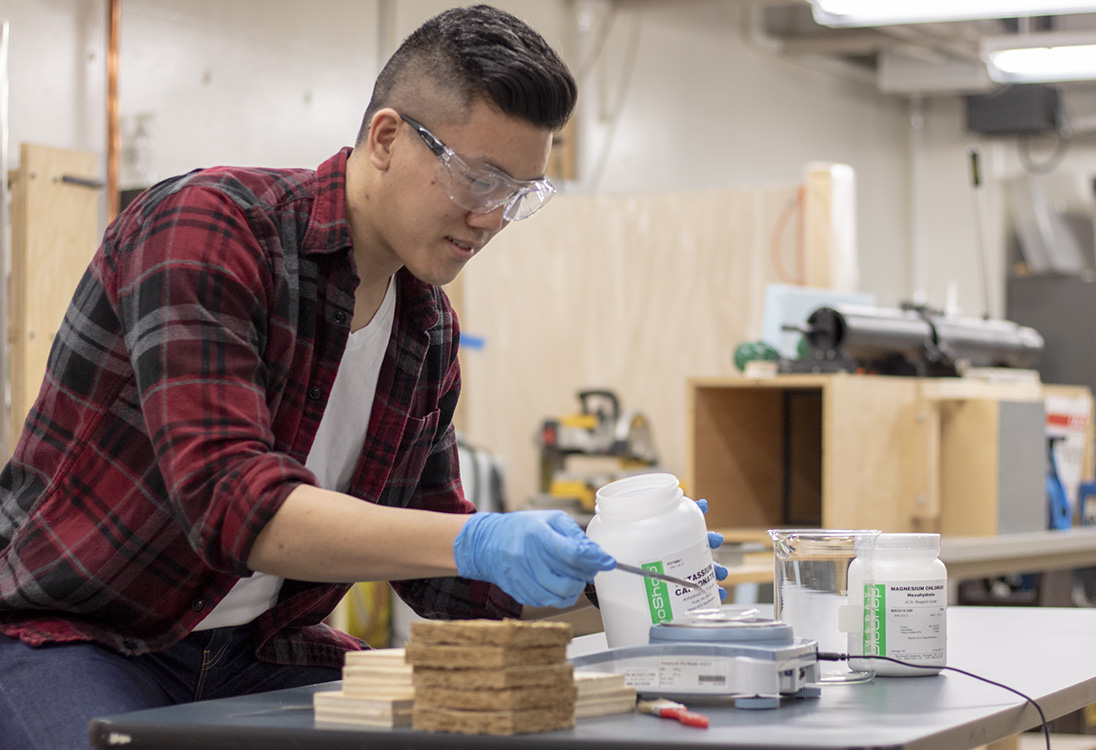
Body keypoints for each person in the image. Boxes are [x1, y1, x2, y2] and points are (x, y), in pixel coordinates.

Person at [0, 7, 724, 749]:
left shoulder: (426, 328)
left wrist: (613, 576)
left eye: (518, 196)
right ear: (386, 138)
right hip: (76, 636)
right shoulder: (209, 227)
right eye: (478, 179)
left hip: (257, 653)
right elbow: (232, 505)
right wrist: (477, 539)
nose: (489, 220)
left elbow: (441, 574)